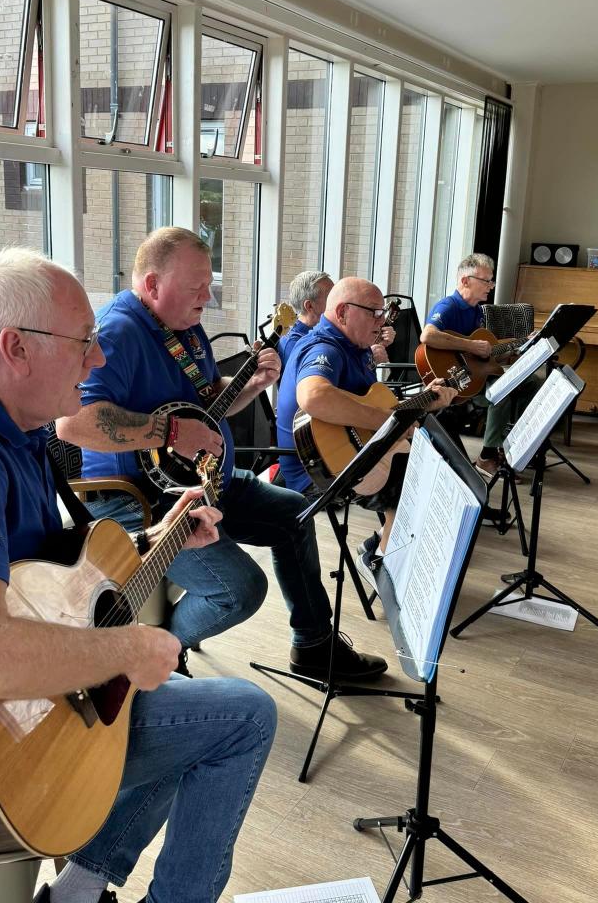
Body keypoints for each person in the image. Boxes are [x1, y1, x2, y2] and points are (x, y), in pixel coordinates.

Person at [0, 248, 277, 903]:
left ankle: (77, 889)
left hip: (30, 695)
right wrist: (129, 647)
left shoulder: (18, 430)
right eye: (84, 343)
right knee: (243, 715)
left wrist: (157, 540)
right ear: (15, 347)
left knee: (168, 695)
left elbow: (45, 571)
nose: (98, 360)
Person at [56, 227, 386, 682]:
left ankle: (314, 646)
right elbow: (73, 423)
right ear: (152, 285)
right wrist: (169, 431)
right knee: (241, 589)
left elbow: (206, 401)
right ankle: (151, 657)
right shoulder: (117, 332)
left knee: (296, 515)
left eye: (209, 285)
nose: (207, 298)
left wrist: (250, 386)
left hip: (209, 484)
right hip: (140, 503)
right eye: (197, 288)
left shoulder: (184, 326)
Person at [276, 277, 457, 565]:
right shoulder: (325, 348)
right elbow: (314, 396)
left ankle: (380, 546)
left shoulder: (354, 346)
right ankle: (380, 562)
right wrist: (387, 422)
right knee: (420, 479)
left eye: (382, 311)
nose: (382, 319)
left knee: (431, 454)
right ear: (342, 313)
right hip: (315, 467)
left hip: (350, 450)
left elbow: (368, 405)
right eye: (373, 311)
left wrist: (423, 402)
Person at [420, 253, 542, 480]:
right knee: (501, 391)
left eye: (491, 281)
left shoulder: (477, 311)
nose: (490, 286)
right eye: (486, 281)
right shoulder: (448, 306)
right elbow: (428, 336)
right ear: (465, 281)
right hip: (455, 380)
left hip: (475, 375)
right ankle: (486, 458)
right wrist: (471, 345)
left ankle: (511, 447)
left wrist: (518, 345)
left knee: (531, 384)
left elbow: (484, 354)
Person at [278, 270, 395, 368]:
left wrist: (376, 342)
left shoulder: (332, 335)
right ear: (309, 306)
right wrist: (370, 360)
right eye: (331, 297)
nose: (338, 300)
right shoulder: (293, 344)